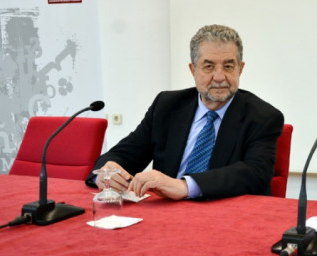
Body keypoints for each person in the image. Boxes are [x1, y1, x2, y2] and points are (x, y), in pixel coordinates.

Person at [86, 24, 284, 200]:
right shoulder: (167, 106)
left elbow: (255, 174)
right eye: (208, 66)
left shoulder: (262, 116)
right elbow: (125, 153)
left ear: (240, 69)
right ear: (193, 70)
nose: (219, 77)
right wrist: (105, 173)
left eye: (228, 66)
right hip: (166, 218)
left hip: (227, 219)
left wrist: (185, 186)